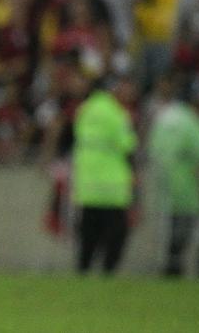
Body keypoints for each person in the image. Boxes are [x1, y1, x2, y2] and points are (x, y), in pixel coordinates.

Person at [147, 73, 199, 276]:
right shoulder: (194, 123)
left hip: (162, 184)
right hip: (186, 187)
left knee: (168, 232)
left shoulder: (164, 117)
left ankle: (168, 267)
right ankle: (175, 269)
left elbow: (152, 148)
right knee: (183, 232)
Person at [72, 76, 138, 274]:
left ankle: (82, 271)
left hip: (87, 186)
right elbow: (128, 145)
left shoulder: (83, 111)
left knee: (88, 236)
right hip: (113, 188)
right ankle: (108, 272)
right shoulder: (117, 113)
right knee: (116, 235)